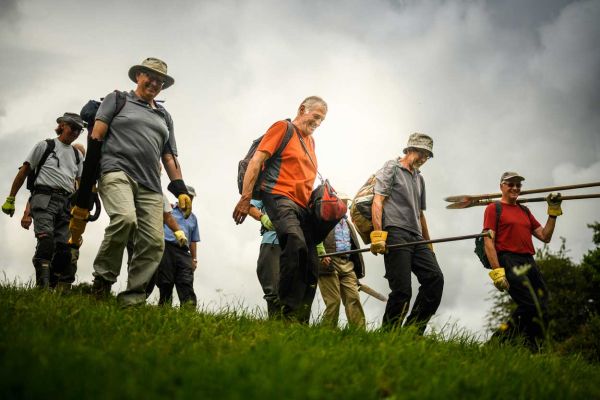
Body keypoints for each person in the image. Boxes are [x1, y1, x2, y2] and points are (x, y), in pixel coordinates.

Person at [69, 57, 193, 307]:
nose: (155, 83)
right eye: (150, 76)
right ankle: (102, 282)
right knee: (125, 219)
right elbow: (96, 136)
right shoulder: (117, 99)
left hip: (151, 185)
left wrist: (180, 188)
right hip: (117, 173)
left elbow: (169, 156)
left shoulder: (164, 116)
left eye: (160, 80)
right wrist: (88, 183)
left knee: (154, 243)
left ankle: (133, 298)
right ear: (138, 76)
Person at [233, 96, 328, 322]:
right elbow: (256, 161)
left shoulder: (311, 143)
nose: (317, 123)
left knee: (311, 262)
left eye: (322, 120)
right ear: (302, 109)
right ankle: (286, 312)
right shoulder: (282, 128)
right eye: (315, 117)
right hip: (278, 196)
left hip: (302, 206)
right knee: (294, 241)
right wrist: (246, 198)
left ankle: (300, 320)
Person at [370, 133, 444, 334]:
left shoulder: (419, 179)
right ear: (410, 149)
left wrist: (428, 244)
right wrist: (378, 235)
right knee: (402, 290)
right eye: (421, 153)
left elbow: (420, 214)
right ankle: (389, 335)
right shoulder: (391, 168)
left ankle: (412, 331)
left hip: (417, 237)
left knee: (435, 278)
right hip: (395, 232)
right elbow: (378, 201)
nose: (423, 158)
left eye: (427, 156)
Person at [2, 113, 85, 288]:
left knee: (64, 251)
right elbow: (24, 171)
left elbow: (80, 184)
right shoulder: (45, 146)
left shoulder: (77, 156)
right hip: (44, 199)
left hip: (66, 204)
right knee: (46, 242)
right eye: (73, 128)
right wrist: (11, 198)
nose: (76, 132)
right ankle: (42, 287)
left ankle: (52, 286)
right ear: (62, 125)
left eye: (79, 130)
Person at [484, 172, 561, 348]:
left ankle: (533, 348)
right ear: (501, 186)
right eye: (511, 184)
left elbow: (545, 236)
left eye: (518, 185)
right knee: (529, 304)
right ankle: (496, 342)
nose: (515, 188)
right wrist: (497, 272)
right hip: (508, 259)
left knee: (543, 305)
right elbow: (489, 241)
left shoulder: (524, 210)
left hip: (528, 260)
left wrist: (553, 212)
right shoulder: (494, 208)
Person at [316, 193, 366, 329]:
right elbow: (314, 236)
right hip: (329, 262)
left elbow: (354, 246)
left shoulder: (348, 224)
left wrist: (357, 271)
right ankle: (326, 332)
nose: (344, 205)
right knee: (333, 301)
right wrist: (321, 254)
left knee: (353, 298)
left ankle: (359, 333)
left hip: (347, 264)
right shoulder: (324, 218)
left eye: (345, 203)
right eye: (341, 202)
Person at [154, 186, 199, 307]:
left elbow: (193, 240)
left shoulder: (193, 218)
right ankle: (164, 309)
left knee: (186, 281)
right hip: (166, 248)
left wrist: (194, 259)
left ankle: (188, 312)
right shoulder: (170, 210)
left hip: (184, 252)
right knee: (165, 281)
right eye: (187, 196)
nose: (189, 199)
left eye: (191, 197)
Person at [248, 199, 280, 317]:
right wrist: (263, 217)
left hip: (296, 243)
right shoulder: (267, 185)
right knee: (273, 289)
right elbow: (250, 207)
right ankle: (276, 326)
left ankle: (293, 328)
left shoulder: (297, 186)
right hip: (272, 241)